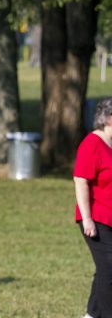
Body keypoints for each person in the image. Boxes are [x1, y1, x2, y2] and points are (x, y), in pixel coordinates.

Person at [74, 98, 112, 318]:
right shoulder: (92, 143)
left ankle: (91, 315)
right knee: (109, 268)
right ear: (108, 119)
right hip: (96, 217)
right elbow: (80, 180)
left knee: (105, 268)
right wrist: (87, 219)